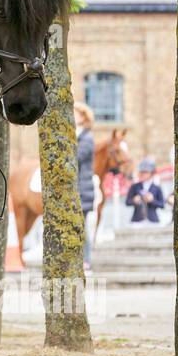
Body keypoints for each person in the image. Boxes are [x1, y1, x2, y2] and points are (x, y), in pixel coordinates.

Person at [75, 102, 96, 269]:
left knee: (82, 227)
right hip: (79, 189)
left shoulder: (87, 138)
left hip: (83, 190)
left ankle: (86, 260)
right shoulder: (77, 135)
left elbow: (77, 157)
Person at [125, 158, 166, 225]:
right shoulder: (135, 186)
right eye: (141, 172)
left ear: (152, 173)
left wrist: (152, 200)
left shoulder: (157, 188)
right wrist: (134, 200)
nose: (142, 174)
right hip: (137, 220)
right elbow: (127, 202)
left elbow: (162, 204)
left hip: (153, 220)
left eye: (145, 172)